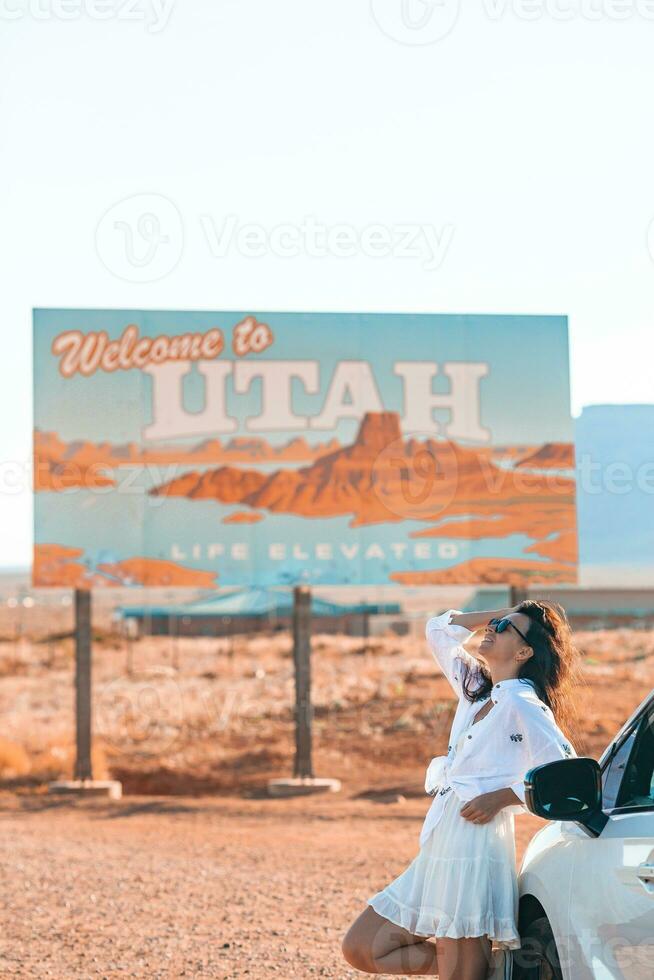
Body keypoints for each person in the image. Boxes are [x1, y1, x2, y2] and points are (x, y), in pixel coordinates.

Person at [341, 599, 582, 978]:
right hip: (443, 843)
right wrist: (496, 618)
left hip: (475, 845)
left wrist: (502, 797)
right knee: (361, 947)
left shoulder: (523, 703)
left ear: (524, 651)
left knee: (460, 974)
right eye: (495, 623)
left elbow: (566, 772)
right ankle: (494, 968)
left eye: (504, 629)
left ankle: (479, 967)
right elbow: (438, 630)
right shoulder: (478, 689)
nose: (492, 629)